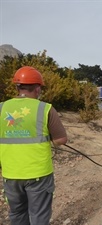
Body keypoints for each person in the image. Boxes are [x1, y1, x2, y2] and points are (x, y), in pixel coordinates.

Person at [0, 66, 68, 225]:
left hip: (11, 174)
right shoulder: (45, 109)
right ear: (37, 88)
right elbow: (61, 140)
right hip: (39, 174)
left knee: (17, 215)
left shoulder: (2, 108)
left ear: (17, 87)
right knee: (39, 216)